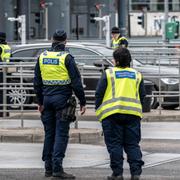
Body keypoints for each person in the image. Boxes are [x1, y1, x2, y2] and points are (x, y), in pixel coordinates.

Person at [34, 29, 86, 179]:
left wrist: (40, 101)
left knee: (49, 134)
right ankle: (57, 169)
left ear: (52, 39)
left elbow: (36, 82)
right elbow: (76, 82)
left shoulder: (42, 56)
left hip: (47, 100)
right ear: (65, 41)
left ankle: (48, 168)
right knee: (61, 135)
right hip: (62, 100)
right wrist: (82, 101)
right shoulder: (67, 58)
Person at [95, 48, 145, 180]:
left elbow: (99, 94)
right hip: (133, 114)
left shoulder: (109, 73)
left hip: (112, 114)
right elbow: (143, 95)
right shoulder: (137, 74)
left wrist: (99, 112)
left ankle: (117, 174)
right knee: (132, 144)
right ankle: (135, 174)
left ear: (116, 61)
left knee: (115, 144)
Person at [0, 32, 11, 117]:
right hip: (7, 71)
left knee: (1, 91)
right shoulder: (7, 47)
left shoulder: (0, 47)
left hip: (1, 71)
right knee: (5, 91)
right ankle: (6, 111)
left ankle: (1, 111)